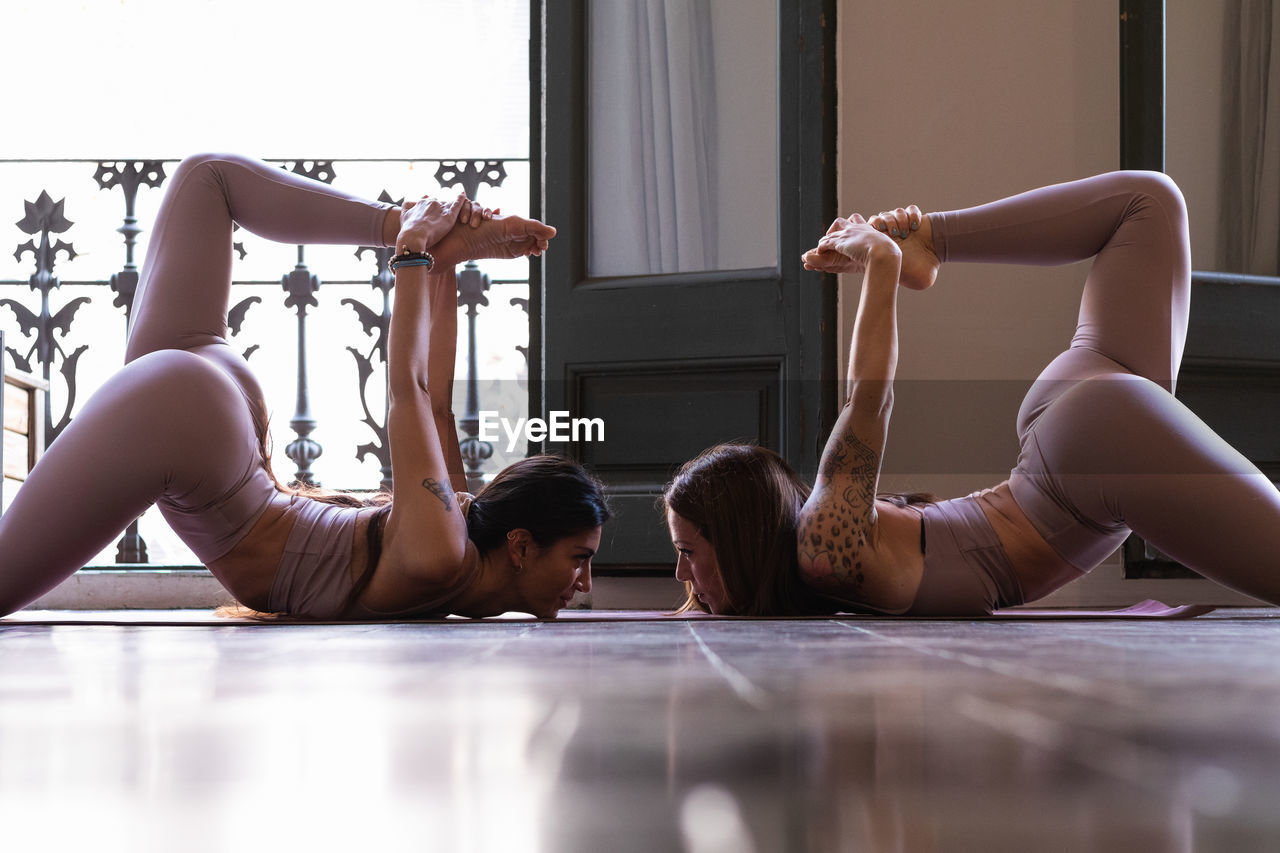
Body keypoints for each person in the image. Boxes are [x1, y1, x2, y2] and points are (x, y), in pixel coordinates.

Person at [0, 153, 608, 620]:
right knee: (208, 178)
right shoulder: (440, 552)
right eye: (578, 560)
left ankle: (403, 224)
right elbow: (411, 393)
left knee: (208, 177)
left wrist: (441, 261)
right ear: (522, 545)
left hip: (214, 430)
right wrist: (415, 250)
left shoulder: (448, 523)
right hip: (195, 434)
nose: (584, 584)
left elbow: (437, 402)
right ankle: (399, 223)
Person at [665, 170, 1280, 616]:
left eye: (689, 552)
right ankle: (933, 240)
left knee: (1148, 202)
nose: (680, 573)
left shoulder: (821, 545)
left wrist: (880, 265)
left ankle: (923, 244)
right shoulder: (825, 560)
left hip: (1086, 458)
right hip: (1071, 438)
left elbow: (868, 403)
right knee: (1148, 202)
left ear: (740, 541)